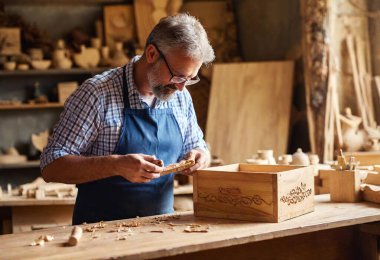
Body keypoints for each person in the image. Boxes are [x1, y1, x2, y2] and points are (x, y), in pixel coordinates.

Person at [40, 13, 215, 224]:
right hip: (100, 233)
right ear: (151, 54)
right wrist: (115, 165)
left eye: (190, 78)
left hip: (162, 229)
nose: (181, 87)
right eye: (178, 76)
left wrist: (201, 155)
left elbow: (196, 144)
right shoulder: (97, 93)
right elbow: (51, 166)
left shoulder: (181, 97)